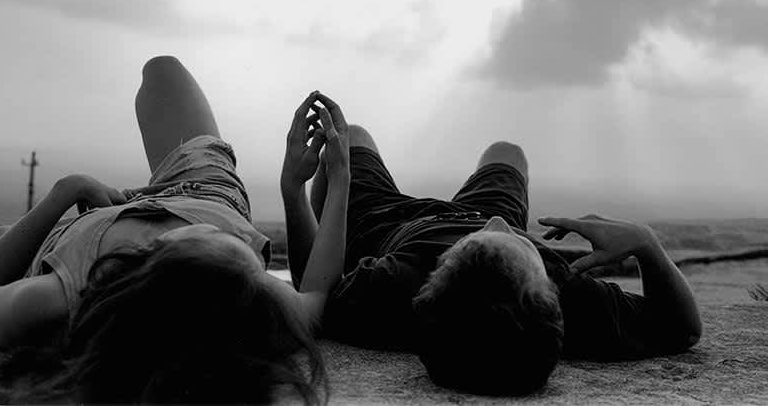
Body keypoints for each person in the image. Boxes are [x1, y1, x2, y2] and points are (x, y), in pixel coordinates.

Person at [0, 56, 351, 405]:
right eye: (238, 242)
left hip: (73, 240)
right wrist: (329, 178)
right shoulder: (252, 307)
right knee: (162, 69)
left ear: (146, 260)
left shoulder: (55, 300)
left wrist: (65, 191)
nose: (234, 235)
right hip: (205, 189)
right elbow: (316, 290)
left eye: (206, 235)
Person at [299, 123, 702, 395]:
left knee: (352, 135)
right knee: (507, 152)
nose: (495, 222)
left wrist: (335, 183)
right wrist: (647, 244)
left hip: (389, 222)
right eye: (518, 241)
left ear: (430, 277)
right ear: (551, 291)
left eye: (474, 240)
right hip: (464, 216)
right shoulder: (573, 301)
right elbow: (680, 329)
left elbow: (313, 283)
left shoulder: (385, 288)